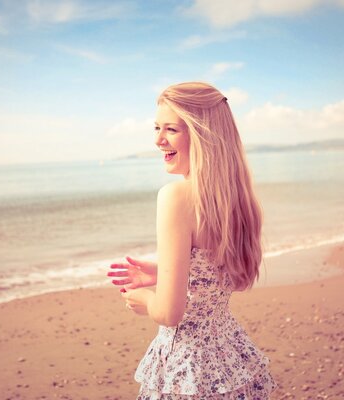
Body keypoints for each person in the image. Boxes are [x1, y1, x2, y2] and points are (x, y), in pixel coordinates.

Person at [107, 82, 277, 399]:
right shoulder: (235, 199)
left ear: (203, 136)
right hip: (230, 357)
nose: (158, 140)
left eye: (171, 129)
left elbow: (170, 313)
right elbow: (228, 278)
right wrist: (166, 272)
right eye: (157, 128)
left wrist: (143, 299)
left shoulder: (175, 197)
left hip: (189, 369)